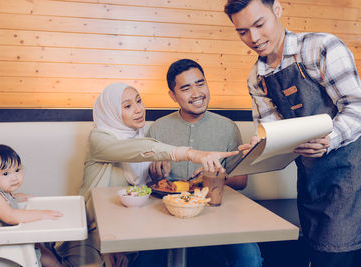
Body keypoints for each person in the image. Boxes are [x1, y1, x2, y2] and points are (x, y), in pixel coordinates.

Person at [224, 1, 361, 266]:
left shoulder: (321, 47)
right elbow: (274, 133)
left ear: (277, 9)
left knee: (339, 255)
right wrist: (259, 147)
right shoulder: (256, 78)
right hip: (311, 180)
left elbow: (356, 106)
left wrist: (329, 140)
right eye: (242, 32)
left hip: (350, 175)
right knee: (317, 253)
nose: (253, 38)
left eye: (259, 24)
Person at [56, 82, 240, 267]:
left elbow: (139, 190)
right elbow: (138, 150)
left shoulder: (138, 138)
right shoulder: (98, 139)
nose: (138, 110)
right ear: (110, 111)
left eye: (139, 101)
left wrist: (158, 173)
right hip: (92, 233)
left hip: (131, 231)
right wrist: (192, 154)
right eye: (128, 106)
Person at [147, 58, 263, 267]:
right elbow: (148, 182)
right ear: (173, 95)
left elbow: (241, 181)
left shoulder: (227, 127)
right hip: (169, 214)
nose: (197, 93)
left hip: (218, 212)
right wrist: (155, 174)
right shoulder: (157, 129)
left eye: (201, 84)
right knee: (143, 260)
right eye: (186, 88)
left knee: (250, 258)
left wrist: (213, 177)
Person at [0, 144, 64, 267]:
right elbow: (11, 216)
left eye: (17, 170)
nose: (14, 177)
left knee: (38, 245)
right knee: (34, 248)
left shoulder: (0, 192)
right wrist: (41, 214)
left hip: (0, 240)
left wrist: (16, 197)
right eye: (5, 174)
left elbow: (3, 204)